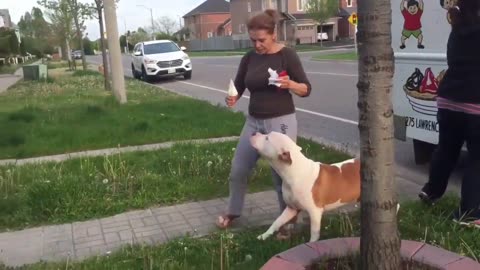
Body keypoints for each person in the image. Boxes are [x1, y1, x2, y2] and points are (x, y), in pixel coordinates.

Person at [216, 9, 312, 236]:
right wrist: (233, 96)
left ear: (273, 34)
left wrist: (290, 85)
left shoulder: (287, 55)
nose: (257, 44)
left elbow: (306, 88)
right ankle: (233, 211)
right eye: (253, 40)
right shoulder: (249, 58)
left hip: (281, 124)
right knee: (238, 170)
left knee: (282, 178)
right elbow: (239, 85)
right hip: (254, 123)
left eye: (262, 40)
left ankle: (287, 222)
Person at [419, 0, 480, 227]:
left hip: (448, 100)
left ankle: (431, 191)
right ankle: (470, 214)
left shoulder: (457, 29)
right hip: (476, 104)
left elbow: (451, 61)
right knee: (477, 160)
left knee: (446, 150)